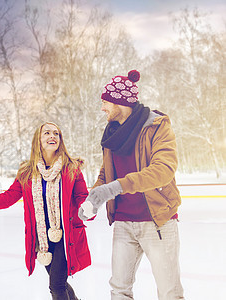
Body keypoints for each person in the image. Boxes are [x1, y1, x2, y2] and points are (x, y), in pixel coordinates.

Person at [0, 122, 94, 300]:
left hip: (65, 237)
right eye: (47, 133)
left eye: (56, 134)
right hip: (42, 239)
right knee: (59, 282)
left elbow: (83, 198)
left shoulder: (71, 169)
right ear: (38, 139)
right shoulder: (27, 172)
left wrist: (89, 208)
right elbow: (5, 199)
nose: (52, 136)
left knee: (56, 285)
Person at [82, 70, 185, 300]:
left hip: (157, 221)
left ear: (120, 102)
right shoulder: (112, 134)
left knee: (169, 292)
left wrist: (114, 187)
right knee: (119, 290)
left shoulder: (157, 126)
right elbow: (107, 173)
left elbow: (163, 171)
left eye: (106, 102)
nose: (103, 108)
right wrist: (93, 199)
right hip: (123, 223)